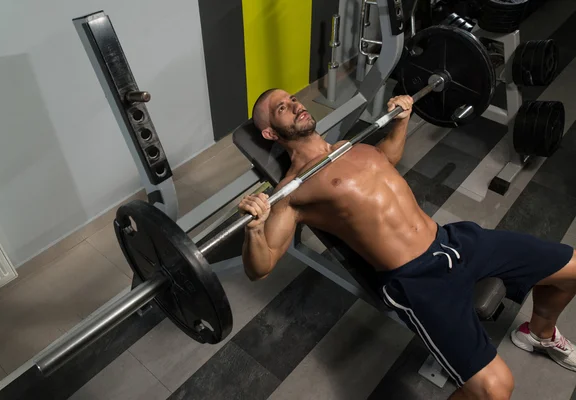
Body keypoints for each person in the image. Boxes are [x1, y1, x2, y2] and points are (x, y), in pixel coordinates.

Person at [238, 88, 576, 399]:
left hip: (453, 240)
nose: (296, 105)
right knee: (496, 389)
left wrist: (402, 121)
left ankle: (540, 333)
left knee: (572, 269)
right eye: (282, 107)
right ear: (270, 133)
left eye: (294, 99)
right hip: (419, 280)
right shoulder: (293, 190)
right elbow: (261, 267)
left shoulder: (351, 146)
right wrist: (255, 228)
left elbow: (387, 158)